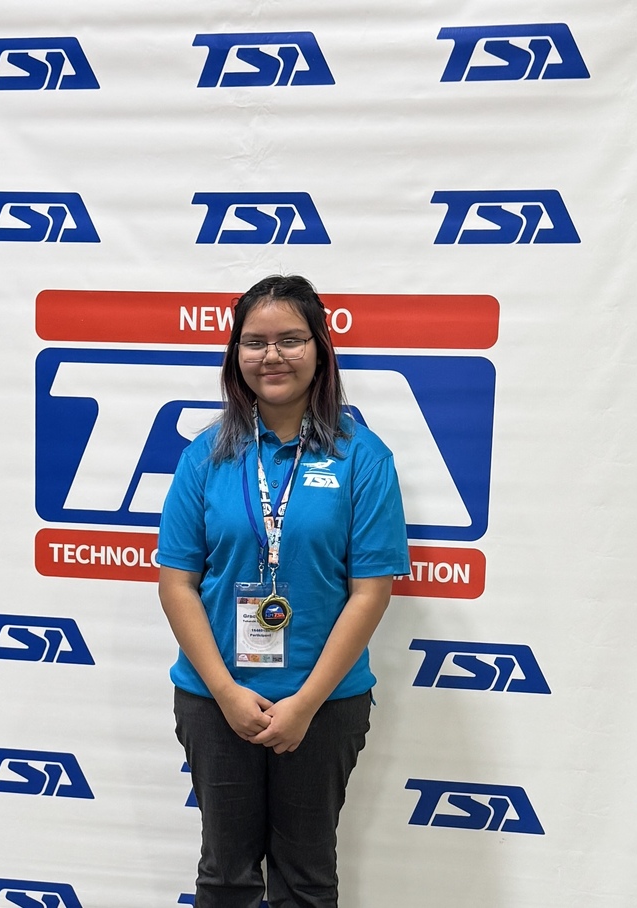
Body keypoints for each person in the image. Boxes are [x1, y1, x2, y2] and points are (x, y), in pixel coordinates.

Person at [157, 274, 410, 908]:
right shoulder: (204, 457)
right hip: (216, 701)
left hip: (323, 705)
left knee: (305, 881)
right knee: (225, 878)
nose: (272, 355)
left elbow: (370, 593)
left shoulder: (362, 458)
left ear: (321, 349)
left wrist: (303, 705)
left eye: (291, 339)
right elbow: (177, 583)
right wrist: (226, 692)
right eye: (255, 341)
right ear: (235, 355)